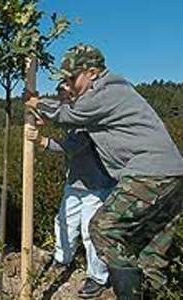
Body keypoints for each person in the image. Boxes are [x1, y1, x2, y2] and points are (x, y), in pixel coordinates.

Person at [25, 44, 183, 299]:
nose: (69, 84)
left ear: (93, 72)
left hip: (150, 173)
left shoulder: (106, 91)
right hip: (173, 175)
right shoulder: (111, 92)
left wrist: (35, 102)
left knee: (103, 228)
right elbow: (75, 117)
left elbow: (72, 114)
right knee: (149, 253)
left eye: (72, 78)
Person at [27, 83, 116, 298]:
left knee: (90, 231)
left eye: (65, 97)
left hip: (97, 186)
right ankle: (62, 258)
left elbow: (71, 147)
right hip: (75, 183)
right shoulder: (72, 114)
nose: (62, 102)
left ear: (74, 96)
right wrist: (41, 117)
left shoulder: (87, 118)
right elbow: (62, 119)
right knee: (64, 222)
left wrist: (40, 141)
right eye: (60, 98)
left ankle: (98, 277)